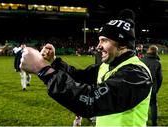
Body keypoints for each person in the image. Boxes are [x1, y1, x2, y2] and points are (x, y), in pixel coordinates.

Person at [20, 9, 153, 126]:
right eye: (99, 40)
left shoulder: (136, 74)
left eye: (104, 40)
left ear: (123, 45)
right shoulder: (107, 66)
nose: (98, 46)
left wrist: (42, 69)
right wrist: (54, 61)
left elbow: (90, 101)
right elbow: (77, 77)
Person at [141, 45, 163, 126]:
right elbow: (160, 79)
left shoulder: (141, 60)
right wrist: (157, 89)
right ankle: (154, 124)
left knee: (142, 106)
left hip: (141, 88)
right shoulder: (157, 62)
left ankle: (142, 122)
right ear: (156, 52)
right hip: (152, 87)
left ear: (148, 51)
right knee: (153, 105)